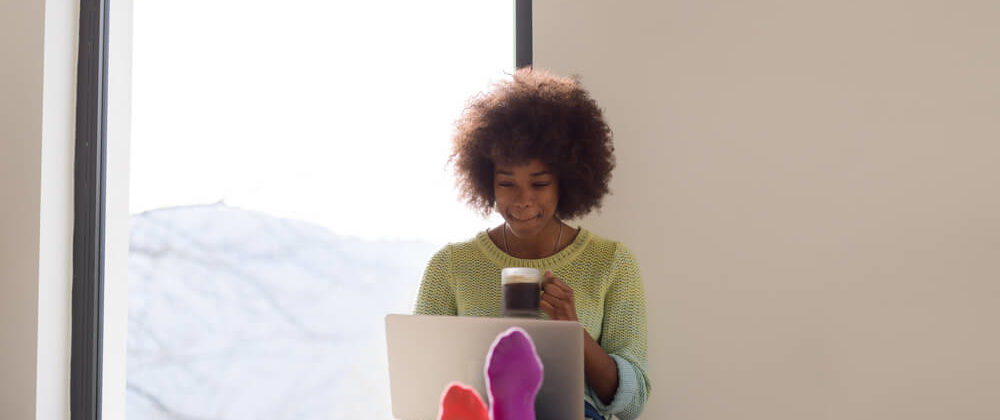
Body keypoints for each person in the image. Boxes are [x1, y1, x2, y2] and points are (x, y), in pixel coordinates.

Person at [414, 68, 650, 420]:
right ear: (487, 181)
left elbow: (632, 403)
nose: (523, 200)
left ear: (566, 181)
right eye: (507, 184)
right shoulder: (450, 267)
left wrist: (574, 334)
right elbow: (419, 384)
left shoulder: (611, 263)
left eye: (539, 184)